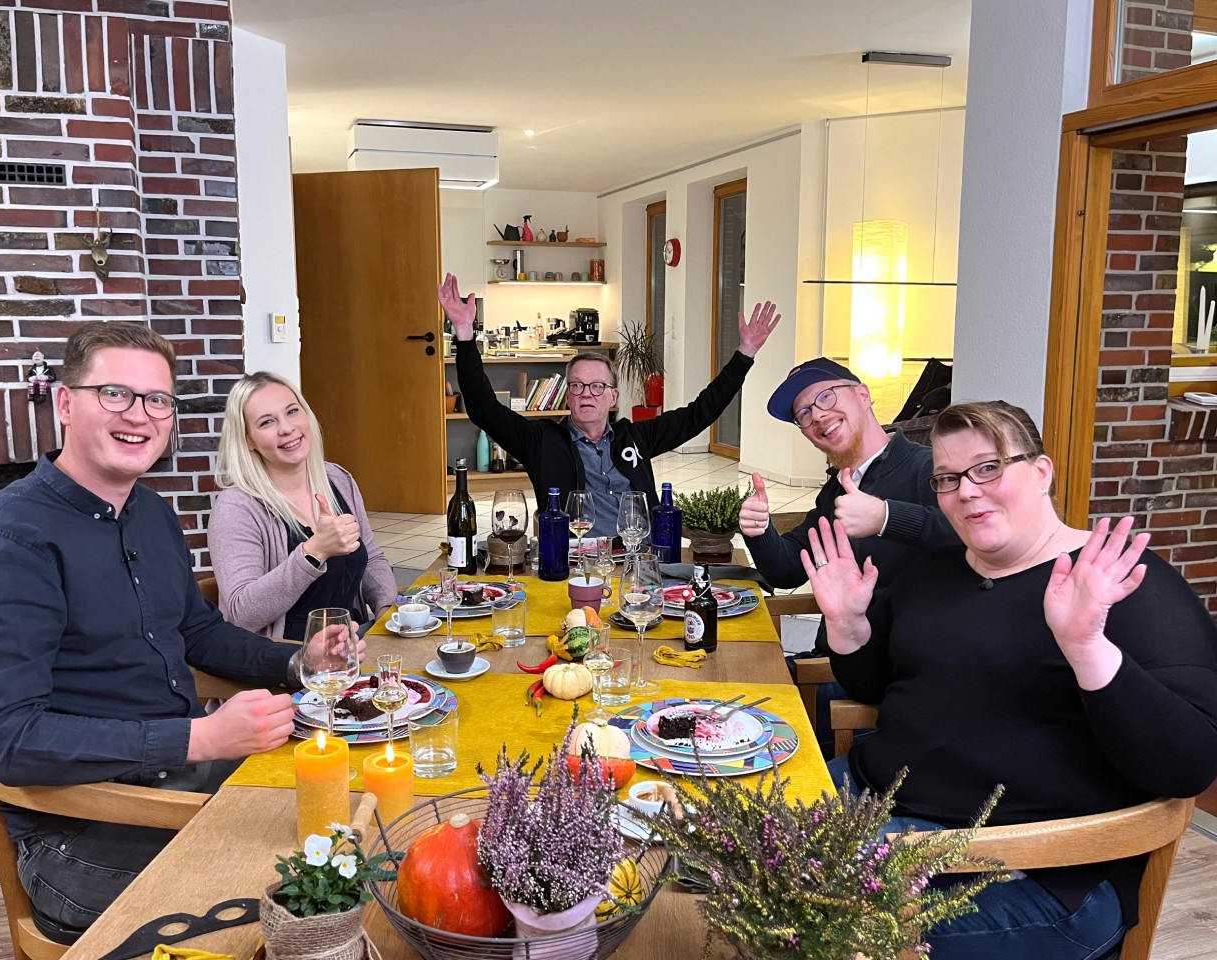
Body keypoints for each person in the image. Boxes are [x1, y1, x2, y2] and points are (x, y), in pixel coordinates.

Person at [0, 322, 354, 939]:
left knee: (352, 818)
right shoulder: (1, 543)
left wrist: (297, 663)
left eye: (157, 399)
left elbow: (199, 632)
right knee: (315, 887)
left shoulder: (151, 512)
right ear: (63, 403)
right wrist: (201, 739)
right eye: (115, 393)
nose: (140, 414)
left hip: (180, 786)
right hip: (78, 836)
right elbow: (2, 738)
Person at [805, 400, 1217, 960]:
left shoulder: (1125, 584)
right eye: (947, 479)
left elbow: (1189, 763)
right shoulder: (937, 571)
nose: (967, 491)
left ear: (1041, 472)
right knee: (708, 858)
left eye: (989, 467)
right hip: (873, 806)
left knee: (786, 926)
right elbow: (877, 690)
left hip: (1035, 867)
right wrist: (849, 625)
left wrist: (1087, 648)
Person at [437, 273, 781, 539]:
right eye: (578, 386)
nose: (587, 393)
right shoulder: (541, 441)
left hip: (640, 554)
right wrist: (465, 333)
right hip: (574, 558)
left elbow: (700, 413)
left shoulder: (635, 438)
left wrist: (744, 355)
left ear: (613, 397)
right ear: (567, 396)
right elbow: (483, 408)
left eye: (598, 386)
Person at [740, 357, 958, 750]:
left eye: (825, 396)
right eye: (803, 414)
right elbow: (788, 569)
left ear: (863, 395)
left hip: (882, 694)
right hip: (835, 665)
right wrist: (759, 531)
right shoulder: (838, 489)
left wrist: (887, 517)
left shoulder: (929, 469)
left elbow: (969, 540)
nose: (817, 416)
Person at [208, 371, 397, 639]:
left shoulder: (337, 479)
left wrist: (386, 609)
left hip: (354, 648)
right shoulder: (236, 508)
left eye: (292, 411)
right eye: (267, 422)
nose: (286, 428)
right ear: (248, 440)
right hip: (286, 665)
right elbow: (241, 615)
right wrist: (315, 550)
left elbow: (372, 560)